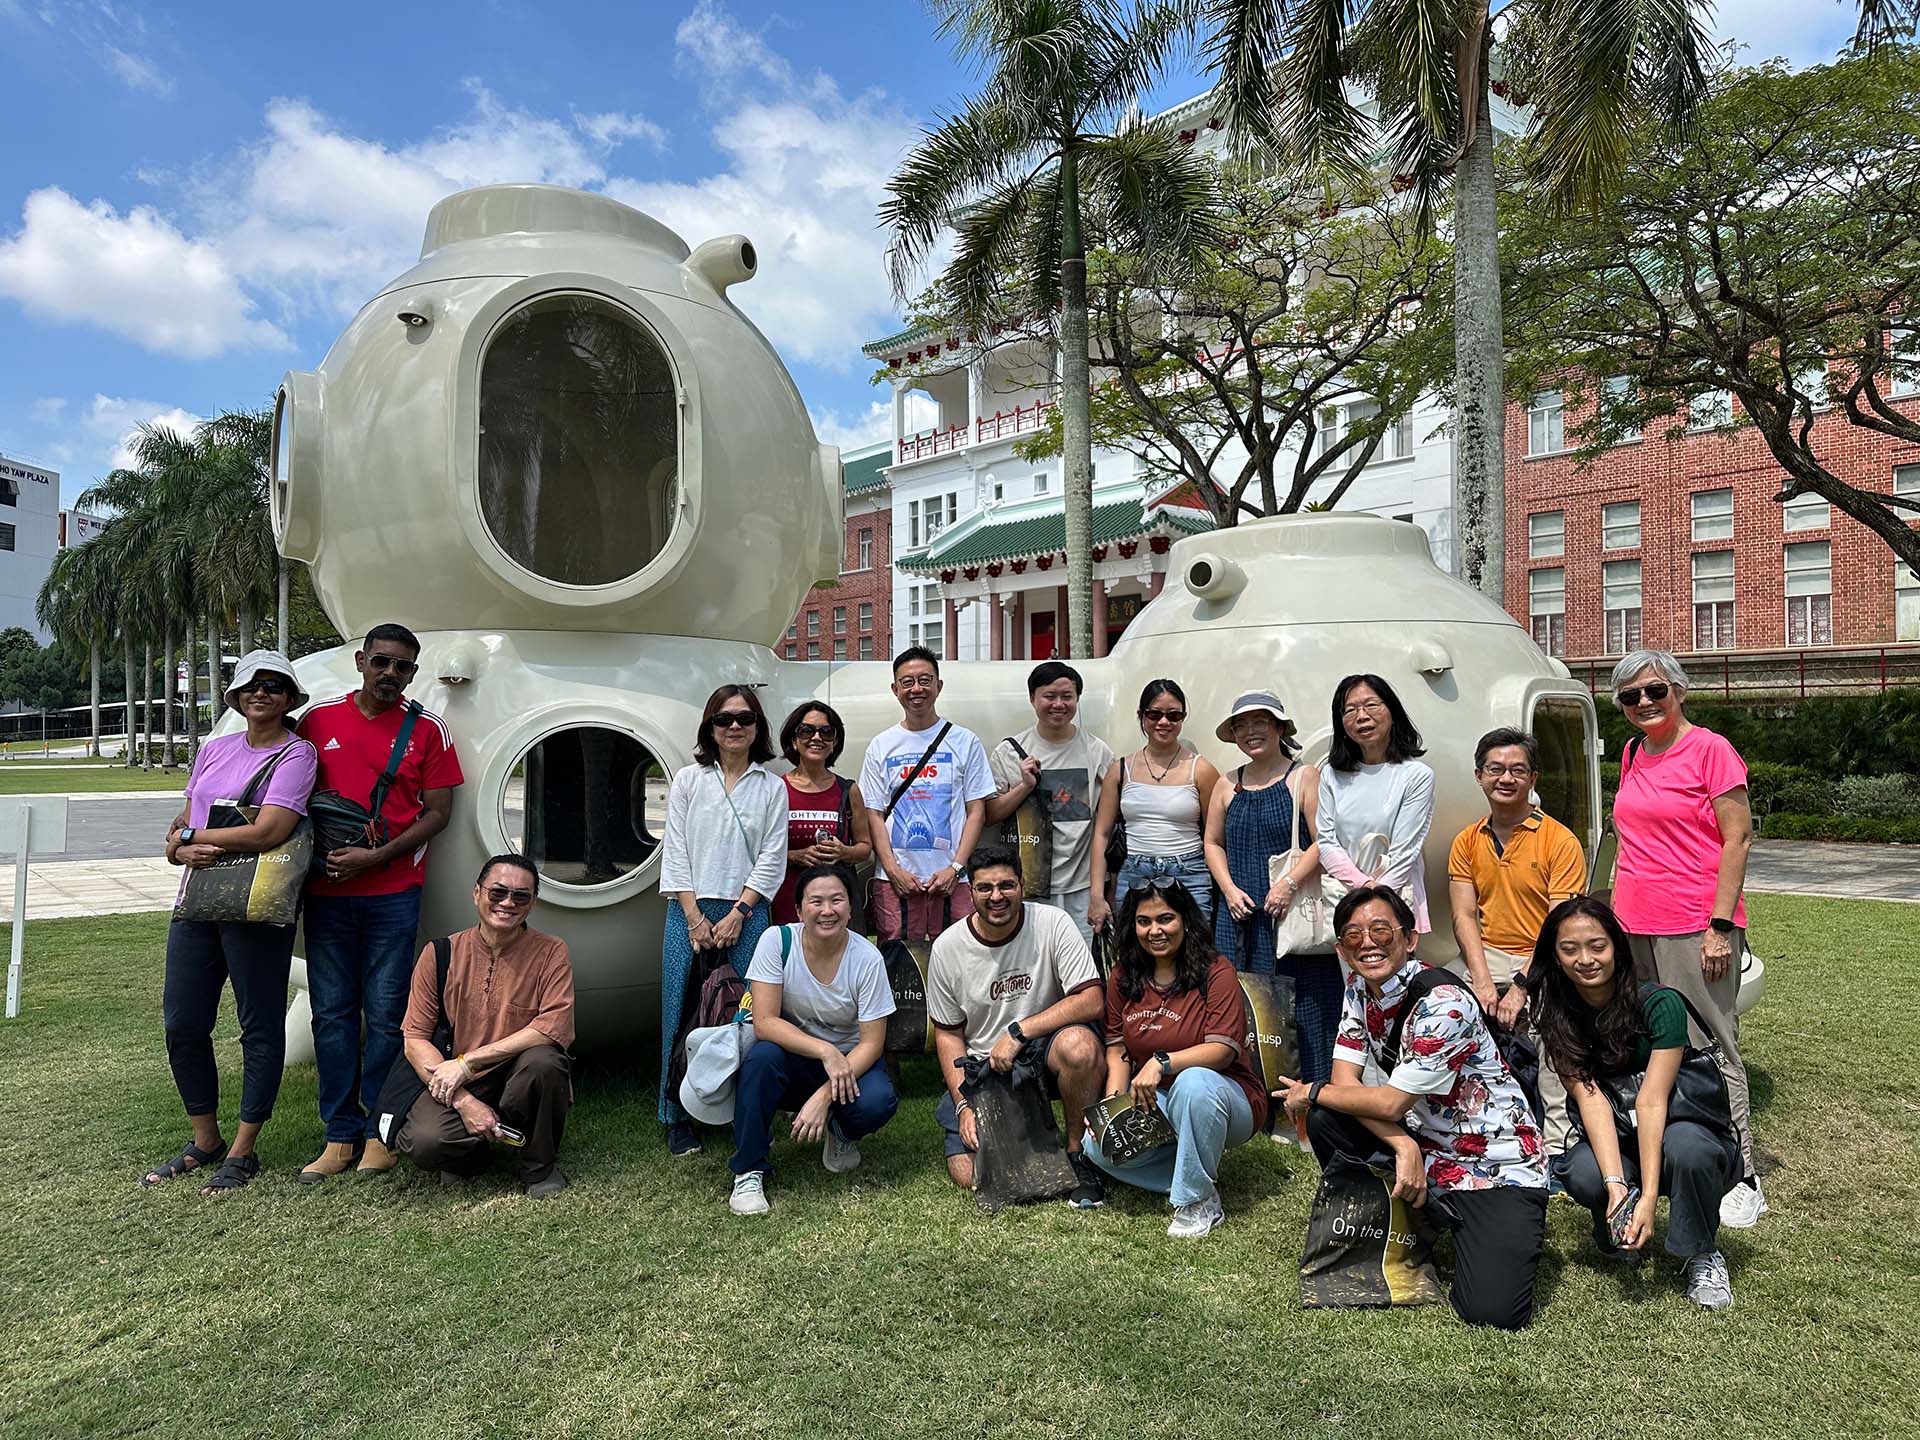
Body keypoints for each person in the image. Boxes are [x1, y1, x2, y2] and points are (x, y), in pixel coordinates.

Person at [1274, 885, 1549, 1331]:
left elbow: (1389, 1100)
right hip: (1427, 1145)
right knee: (1328, 1118)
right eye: (1352, 934)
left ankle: (1451, 1222)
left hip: (1494, 1162)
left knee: (1492, 1313)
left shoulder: (1444, 1003)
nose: (1367, 942)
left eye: (1380, 929)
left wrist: (1312, 1090)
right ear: (1342, 948)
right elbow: (1347, 1081)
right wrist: (1403, 1144)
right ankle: (1399, 1224)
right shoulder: (1359, 988)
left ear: (1410, 937)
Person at [144, 650, 318, 1195]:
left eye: (273, 686)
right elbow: (184, 821)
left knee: (258, 1026)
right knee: (182, 1022)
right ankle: (206, 1139)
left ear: (289, 699)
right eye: (251, 686)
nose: (261, 693)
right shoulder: (214, 749)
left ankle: (244, 1150)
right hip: (197, 902)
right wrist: (178, 849)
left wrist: (195, 840)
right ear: (237, 698)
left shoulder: (298, 754)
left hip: (257, 907)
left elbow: (271, 830)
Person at [297, 622, 464, 1183]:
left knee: (389, 1015)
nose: (390, 674)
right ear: (361, 661)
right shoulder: (318, 722)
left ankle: (379, 1131)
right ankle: (339, 1133)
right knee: (333, 1015)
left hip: (393, 892)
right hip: (325, 891)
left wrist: (378, 858)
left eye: (402, 666)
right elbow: (281, 787)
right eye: (382, 662)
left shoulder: (429, 730)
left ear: (413, 673)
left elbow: (438, 814)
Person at [1608, 648, 1764, 1229]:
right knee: (1658, 1039)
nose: (1645, 703)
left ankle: (1742, 1172)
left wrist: (1720, 927)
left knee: (1713, 1041)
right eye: (1630, 696)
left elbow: (1738, 839)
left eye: (1655, 690)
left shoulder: (1711, 750)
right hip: (1635, 923)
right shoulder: (1631, 753)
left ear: (1679, 691)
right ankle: (1674, 1149)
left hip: (1696, 924)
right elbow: (1632, 840)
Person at [1528, 897, 1740, 1309]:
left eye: (1597, 946)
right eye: (1569, 949)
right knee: (1584, 1171)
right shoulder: (1554, 1011)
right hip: (1617, 1128)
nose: (1585, 959)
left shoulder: (1661, 1003)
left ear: (1617, 948)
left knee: (1690, 1150)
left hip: (1678, 1118)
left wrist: (1648, 1198)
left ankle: (1701, 1250)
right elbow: (1590, 1101)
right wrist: (1616, 1188)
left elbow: (1651, 1101)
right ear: (1554, 955)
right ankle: (1614, 1219)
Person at [1081, 882, 1268, 1238]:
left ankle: (1198, 1201)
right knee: (1099, 1145)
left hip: (1227, 1096)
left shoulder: (1216, 970)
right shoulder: (1123, 975)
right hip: (1157, 1100)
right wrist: (1112, 1103)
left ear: (1185, 921)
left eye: (1165, 919)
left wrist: (1162, 1062)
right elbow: (1118, 1046)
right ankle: (1196, 1173)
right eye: (1143, 921)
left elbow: (1223, 1050)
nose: (1154, 931)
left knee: (1193, 1082)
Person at [927, 846, 1107, 1206]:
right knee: (970, 1174)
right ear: (970, 891)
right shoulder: (948, 948)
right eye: (985, 888)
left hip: (1044, 1049)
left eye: (1007, 885)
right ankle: (1033, 1147)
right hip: (985, 1065)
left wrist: (1020, 1031)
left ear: (1022, 885)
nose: (997, 896)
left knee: (1080, 1045)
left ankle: (1076, 1155)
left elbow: (1091, 1000)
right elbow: (949, 1033)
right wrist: (964, 1105)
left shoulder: (1052, 923)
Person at [393, 855, 575, 1196]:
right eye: (498, 892)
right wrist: (462, 1100)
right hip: (460, 1081)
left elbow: (554, 1026)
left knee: (545, 1062)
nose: (508, 903)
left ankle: (538, 1167)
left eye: (521, 896)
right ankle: (469, 1156)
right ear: (477, 893)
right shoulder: (440, 952)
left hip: (517, 1077)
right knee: (424, 1141)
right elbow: (414, 1038)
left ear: (533, 903)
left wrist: (469, 1062)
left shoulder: (552, 952)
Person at [658, 684, 789, 1157]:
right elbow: (675, 852)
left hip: (747, 912)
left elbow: (773, 856)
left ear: (758, 728)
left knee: (750, 1013)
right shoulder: (689, 780)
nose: (735, 726)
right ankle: (676, 1112)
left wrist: (740, 912)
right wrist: (694, 916)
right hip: (688, 910)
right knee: (682, 1008)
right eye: (724, 719)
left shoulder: (772, 786)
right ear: (709, 728)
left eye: (745, 718)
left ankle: (746, 1108)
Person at [727, 864, 899, 1216]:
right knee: (761, 1060)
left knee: (879, 1099)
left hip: (850, 1063)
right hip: (795, 1055)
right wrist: (825, 1051)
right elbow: (765, 1022)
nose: (827, 910)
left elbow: (872, 1043)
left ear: (851, 908)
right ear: (799, 909)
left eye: (837, 900)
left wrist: (825, 1097)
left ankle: (840, 1130)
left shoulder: (866, 959)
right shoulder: (777, 941)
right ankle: (749, 1169)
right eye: (816, 901)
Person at [1447, 726, 1585, 1158]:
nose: (1505, 778)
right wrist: (1484, 981)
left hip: (1545, 955)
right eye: (1495, 769)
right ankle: (1464, 1122)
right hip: (1486, 952)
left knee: (1551, 1022)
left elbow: (1556, 927)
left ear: (1533, 779)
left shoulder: (1559, 841)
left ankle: (1559, 1139)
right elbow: (1464, 915)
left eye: (1517, 770)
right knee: (1445, 1005)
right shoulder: (1467, 841)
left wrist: (1522, 987)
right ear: (1478, 775)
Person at [1204, 691, 1339, 1083]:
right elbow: (1212, 842)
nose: (1251, 732)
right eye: (1242, 725)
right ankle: (1254, 1094)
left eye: (1261, 722)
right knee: (1244, 1004)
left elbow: (1324, 841)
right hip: (1240, 915)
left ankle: (1314, 1093)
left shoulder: (1304, 776)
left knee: (1307, 1003)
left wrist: (1288, 884)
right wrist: (1228, 889)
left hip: (1293, 914)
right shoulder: (1228, 783)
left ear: (1280, 728)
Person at [860, 646, 995, 941]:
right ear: (895, 689)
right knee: (899, 965)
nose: (916, 688)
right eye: (907, 682)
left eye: (925, 680)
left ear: (939, 685)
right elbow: (874, 813)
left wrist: (956, 867)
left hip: (953, 880)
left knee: (958, 959)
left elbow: (977, 811)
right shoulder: (881, 745)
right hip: (895, 881)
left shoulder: (965, 742)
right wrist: (893, 870)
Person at [985, 660, 1117, 944]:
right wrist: (1024, 786)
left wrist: (1101, 892)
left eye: (1067, 697)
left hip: (1081, 887)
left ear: (1077, 700)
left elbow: (1112, 816)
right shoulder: (1009, 752)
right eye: (1049, 696)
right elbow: (990, 815)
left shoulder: (1097, 751)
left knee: (1080, 966)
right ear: (1033, 699)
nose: (1059, 704)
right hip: (1028, 885)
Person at [1090, 678, 1220, 928]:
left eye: (1173, 716)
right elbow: (1101, 834)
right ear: (1141, 715)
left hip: (1189, 871)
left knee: (1194, 955)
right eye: (1154, 714)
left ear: (1183, 718)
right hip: (1135, 872)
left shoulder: (1201, 769)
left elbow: (1213, 836)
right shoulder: (1120, 770)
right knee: (1135, 957)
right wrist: (1097, 895)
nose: (1164, 722)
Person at [1317, 673, 1436, 935]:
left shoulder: (1416, 776)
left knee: (1394, 973)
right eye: (1350, 710)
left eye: (1371, 705)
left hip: (1396, 900)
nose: (1361, 716)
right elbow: (1326, 842)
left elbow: (1406, 850)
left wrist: (1375, 898)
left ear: (1392, 712)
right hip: (1346, 901)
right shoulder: (1331, 775)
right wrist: (1361, 889)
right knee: (1350, 975)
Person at [770, 701, 872, 925]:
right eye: (807, 731)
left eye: (826, 732)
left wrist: (843, 852)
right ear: (794, 741)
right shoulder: (776, 789)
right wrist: (796, 856)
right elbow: (758, 852)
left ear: (835, 743)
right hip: (788, 899)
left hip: (835, 903)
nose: (816, 738)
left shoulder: (849, 790)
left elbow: (865, 847)